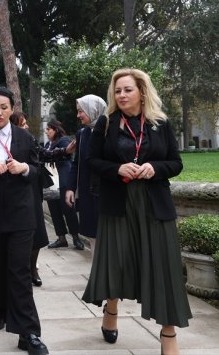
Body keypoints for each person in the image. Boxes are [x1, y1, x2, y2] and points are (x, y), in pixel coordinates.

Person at [82, 68, 189, 355]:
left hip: (154, 205)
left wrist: (156, 168)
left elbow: (176, 164)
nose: (122, 95)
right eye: (117, 90)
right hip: (118, 204)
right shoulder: (105, 124)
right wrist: (116, 168)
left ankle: (168, 334)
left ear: (141, 92)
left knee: (163, 268)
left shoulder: (160, 123)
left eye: (127, 89)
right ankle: (112, 309)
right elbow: (90, 160)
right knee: (117, 263)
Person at [0, 87, 48, 355]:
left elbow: (38, 172)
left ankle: (29, 333)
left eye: (3, 107)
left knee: (20, 272)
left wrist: (24, 168)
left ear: (11, 109)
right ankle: (0, 311)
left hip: (21, 217)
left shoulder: (25, 137)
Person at [10, 111, 49, 288]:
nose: (26, 126)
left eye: (26, 123)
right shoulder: (5, 142)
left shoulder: (30, 140)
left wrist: (65, 150)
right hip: (15, 195)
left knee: (38, 233)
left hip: (33, 190)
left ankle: (34, 268)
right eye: (22, 123)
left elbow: (43, 155)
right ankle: (23, 269)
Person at [64, 95, 107, 241]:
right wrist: (71, 188)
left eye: (81, 111)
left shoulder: (110, 131)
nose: (78, 115)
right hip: (87, 194)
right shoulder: (83, 134)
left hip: (106, 194)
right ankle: (95, 264)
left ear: (93, 110)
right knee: (92, 236)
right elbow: (77, 163)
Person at [44, 120, 84, 251]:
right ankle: (61, 238)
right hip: (51, 181)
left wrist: (56, 154)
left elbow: (68, 154)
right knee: (54, 209)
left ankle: (76, 237)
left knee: (68, 208)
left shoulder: (64, 140)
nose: (47, 132)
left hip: (63, 177)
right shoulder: (47, 144)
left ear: (55, 129)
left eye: (49, 129)